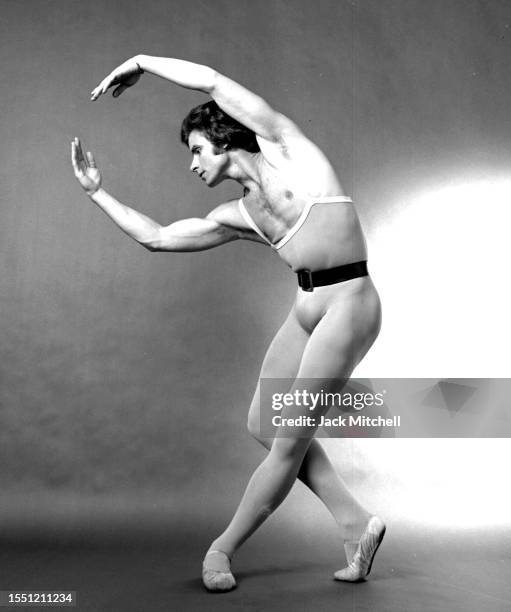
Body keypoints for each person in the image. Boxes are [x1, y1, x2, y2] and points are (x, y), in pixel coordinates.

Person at [71, 54, 385, 592]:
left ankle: (222, 549)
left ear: (221, 138)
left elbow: (215, 82)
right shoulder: (237, 215)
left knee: (288, 441)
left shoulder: (288, 150)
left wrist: (143, 62)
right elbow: (158, 237)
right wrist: (98, 192)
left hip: (350, 304)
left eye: (196, 150)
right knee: (263, 424)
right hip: (308, 307)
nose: (192, 164)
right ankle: (358, 524)